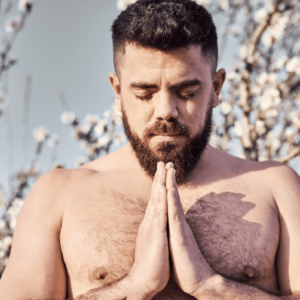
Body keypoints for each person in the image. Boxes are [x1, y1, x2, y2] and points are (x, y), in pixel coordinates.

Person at [1, 0, 300, 299]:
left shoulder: (275, 186)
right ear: (118, 92)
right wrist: (134, 287)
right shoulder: (58, 194)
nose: (166, 111)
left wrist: (211, 287)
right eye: (144, 93)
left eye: (187, 93)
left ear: (217, 87)